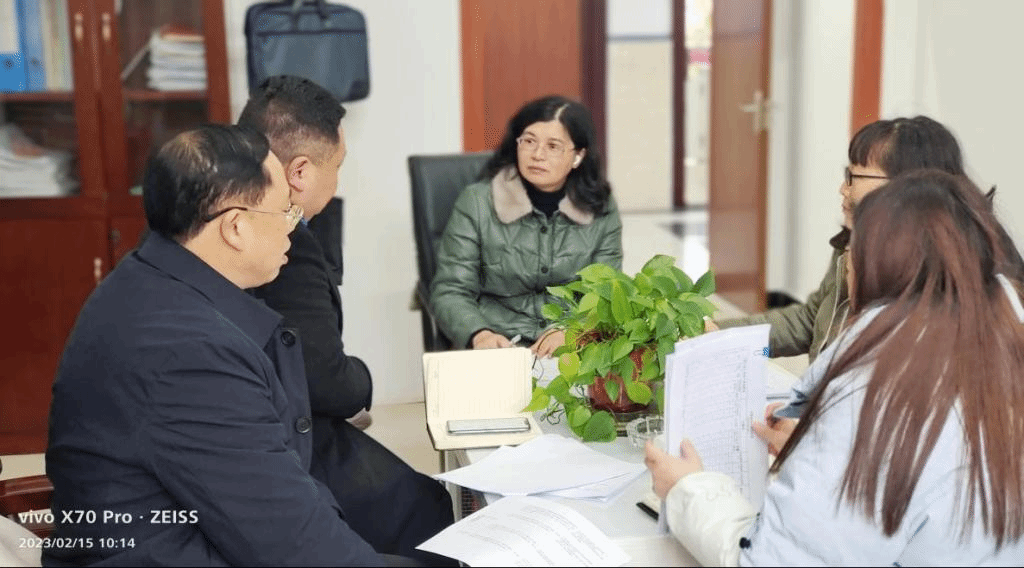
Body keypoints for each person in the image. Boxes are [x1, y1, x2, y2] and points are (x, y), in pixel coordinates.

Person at [44, 125, 395, 565]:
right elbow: (293, 545)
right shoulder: (189, 355)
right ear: (235, 227)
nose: (292, 229)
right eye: (285, 211)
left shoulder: (146, 278)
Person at [646, 170, 1024, 565]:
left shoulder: (879, 394)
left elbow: (776, 561)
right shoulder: (996, 346)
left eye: (853, 248)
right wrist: (815, 447)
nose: (845, 262)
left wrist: (687, 489)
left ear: (880, 268)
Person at [240, 76, 453, 561]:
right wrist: (362, 383)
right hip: (286, 449)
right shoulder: (285, 246)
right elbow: (325, 380)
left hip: (257, 431)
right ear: (299, 172)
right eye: (336, 166)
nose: (338, 181)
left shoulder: (222, 217)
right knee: (433, 514)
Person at [715, 116, 1023, 363]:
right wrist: (721, 341)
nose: (842, 189)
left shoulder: (961, 276)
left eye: (854, 177)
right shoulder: (855, 240)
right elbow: (811, 323)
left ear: (907, 185)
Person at [430, 95, 622, 356]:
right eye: (529, 141)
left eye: (553, 146)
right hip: (497, 347)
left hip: (569, 351)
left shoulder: (600, 207)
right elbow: (451, 289)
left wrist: (572, 331)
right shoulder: (477, 202)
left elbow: (606, 293)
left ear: (578, 156)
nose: (537, 155)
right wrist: (479, 334)